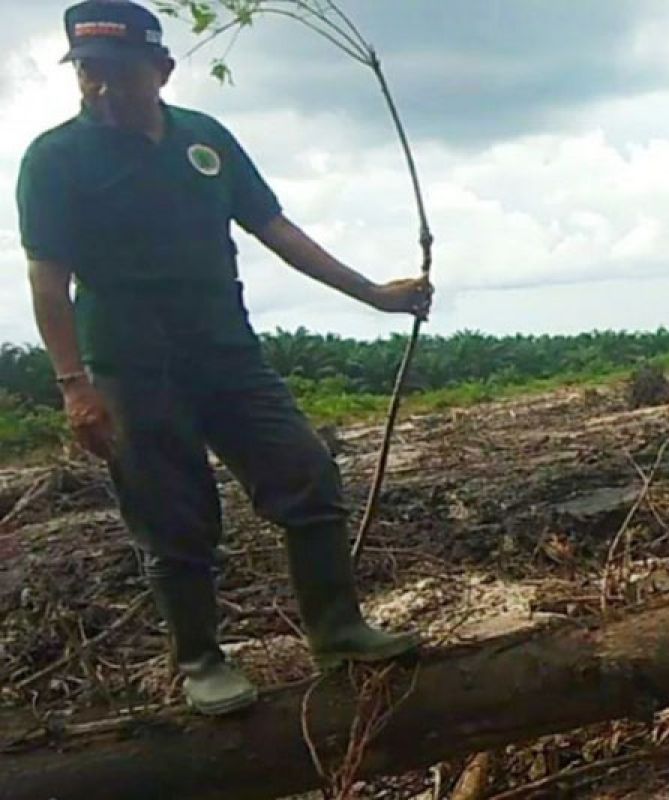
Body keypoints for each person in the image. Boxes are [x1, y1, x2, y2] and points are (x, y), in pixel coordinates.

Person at [16, 0, 430, 716]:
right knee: (172, 514)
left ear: (163, 70)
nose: (103, 87)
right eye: (89, 72)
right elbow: (47, 282)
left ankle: (338, 629)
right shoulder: (55, 160)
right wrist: (74, 386)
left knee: (305, 472)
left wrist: (373, 295)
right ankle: (202, 661)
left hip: (226, 352)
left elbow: (276, 229)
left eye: (119, 71)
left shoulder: (204, 141)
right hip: (129, 366)